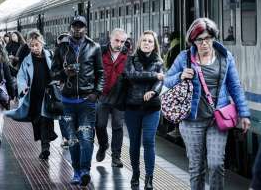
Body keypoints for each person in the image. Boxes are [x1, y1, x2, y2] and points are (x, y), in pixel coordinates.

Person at [164, 18, 251, 190]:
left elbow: (235, 86)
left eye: (208, 38)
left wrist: (244, 114)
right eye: (199, 40)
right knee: (196, 168)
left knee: (216, 164)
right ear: (193, 41)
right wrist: (180, 76)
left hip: (217, 120)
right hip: (191, 121)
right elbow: (167, 81)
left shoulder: (225, 57)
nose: (204, 43)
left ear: (213, 38)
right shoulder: (184, 58)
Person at [52, 15, 104, 187]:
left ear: (86, 29)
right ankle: (75, 171)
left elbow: (100, 73)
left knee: (87, 137)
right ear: (70, 28)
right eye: (74, 26)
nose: (77, 29)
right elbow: (53, 73)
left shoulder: (94, 47)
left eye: (80, 26)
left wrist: (96, 93)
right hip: (67, 101)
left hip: (87, 101)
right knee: (73, 138)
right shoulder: (61, 48)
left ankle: (85, 171)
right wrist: (64, 74)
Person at [123, 30, 164, 189]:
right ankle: (135, 173)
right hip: (132, 107)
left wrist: (154, 91)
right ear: (140, 43)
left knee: (148, 141)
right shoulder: (131, 60)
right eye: (144, 40)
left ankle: (149, 178)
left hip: (152, 108)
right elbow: (132, 76)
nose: (147, 43)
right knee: (134, 143)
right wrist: (154, 76)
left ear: (154, 46)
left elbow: (160, 82)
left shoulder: (159, 61)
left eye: (150, 41)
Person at [17, 30, 57, 160]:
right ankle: (45, 142)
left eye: (37, 45)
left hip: (48, 94)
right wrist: (23, 88)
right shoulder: (27, 60)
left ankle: (45, 148)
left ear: (42, 43)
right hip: (34, 95)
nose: (35, 48)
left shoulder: (50, 55)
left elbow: (57, 70)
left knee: (46, 119)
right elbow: (21, 76)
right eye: (32, 46)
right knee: (37, 121)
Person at [95, 28, 128, 167]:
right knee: (100, 125)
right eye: (117, 40)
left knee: (118, 127)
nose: (119, 44)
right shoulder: (100, 52)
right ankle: (103, 145)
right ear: (110, 38)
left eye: (122, 41)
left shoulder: (128, 56)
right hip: (103, 95)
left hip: (120, 97)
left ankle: (116, 157)